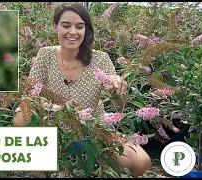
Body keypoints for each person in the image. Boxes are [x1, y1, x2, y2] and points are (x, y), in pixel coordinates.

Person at [14, 2, 152, 177]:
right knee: (21, 114)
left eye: (79, 26)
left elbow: (119, 103)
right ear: (55, 26)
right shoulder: (45, 55)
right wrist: (57, 109)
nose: (73, 32)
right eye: (66, 25)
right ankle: (40, 171)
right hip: (55, 128)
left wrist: (116, 91)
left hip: (93, 129)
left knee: (142, 162)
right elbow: (30, 97)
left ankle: (96, 163)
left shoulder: (101, 59)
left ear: (86, 30)